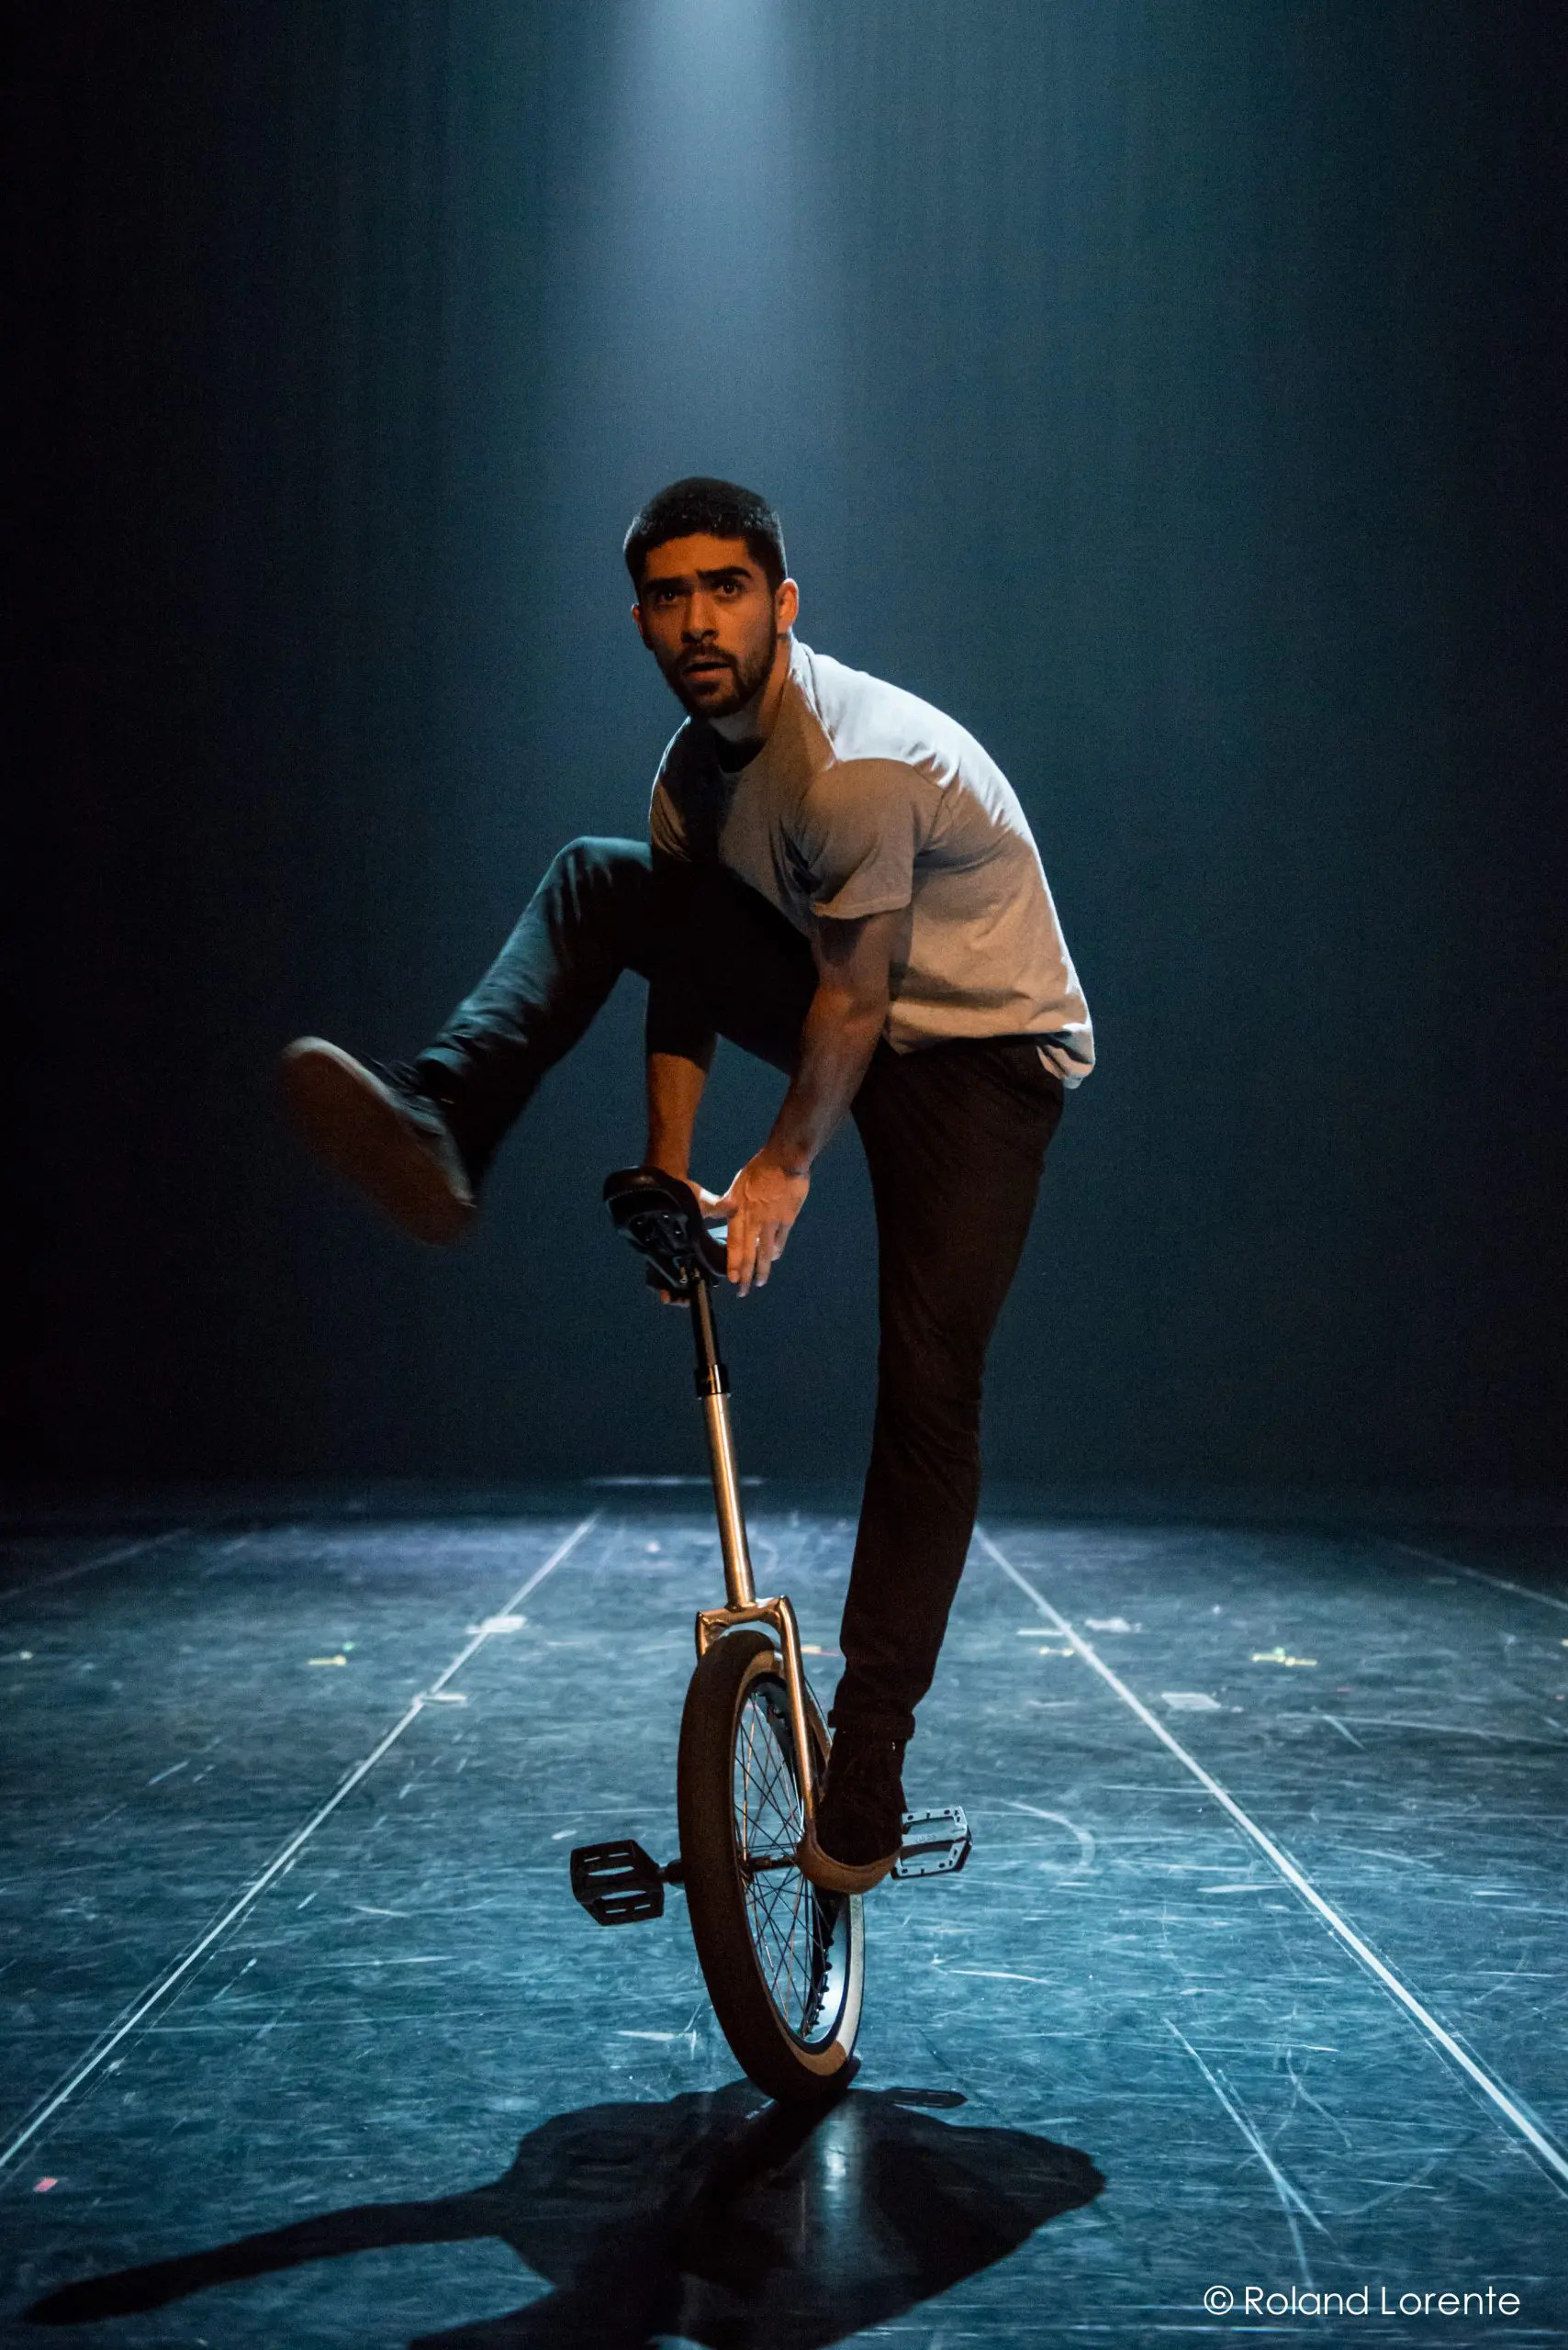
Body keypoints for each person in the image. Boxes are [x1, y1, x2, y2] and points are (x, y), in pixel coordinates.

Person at [280, 476, 1093, 1894]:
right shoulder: (690, 780)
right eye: (670, 596)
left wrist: (778, 1168)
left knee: (929, 1393)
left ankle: (870, 1767)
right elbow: (684, 974)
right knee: (603, 884)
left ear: (782, 605)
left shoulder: (851, 763)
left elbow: (855, 1001)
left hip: (985, 1061)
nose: (698, 620)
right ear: (642, 622)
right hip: (856, 1017)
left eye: (726, 589)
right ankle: (441, 1118)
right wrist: (668, 1168)